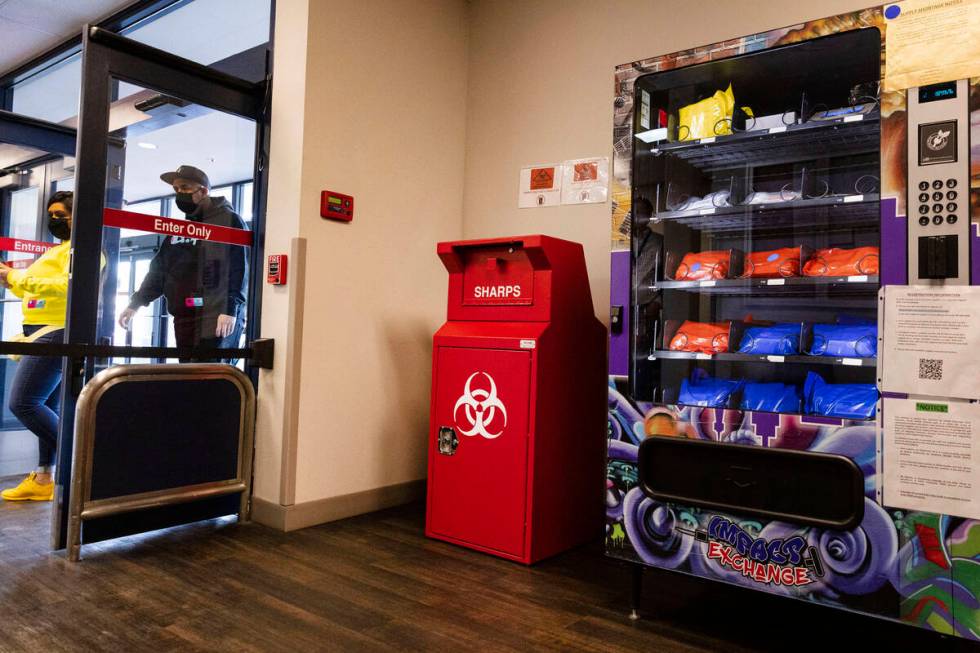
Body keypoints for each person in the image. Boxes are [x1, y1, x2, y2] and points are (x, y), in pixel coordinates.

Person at [118, 165, 248, 362]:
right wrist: (135, 304)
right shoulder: (180, 230)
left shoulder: (229, 221)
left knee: (213, 381)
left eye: (185, 188)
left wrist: (230, 309)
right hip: (184, 317)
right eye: (176, 189)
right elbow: (159, 271)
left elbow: (239, 268)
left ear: (203, 191)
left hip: (217, 316)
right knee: (188, 379)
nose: (179, 193)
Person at [0, 191, 75, 501]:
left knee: (24, 403)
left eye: (61, 214)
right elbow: (35, 291)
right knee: (49, 406)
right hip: (38, 330)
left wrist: (17, 276)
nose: (54, 220)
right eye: (51, 215)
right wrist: (11, 279)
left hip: (57, 332)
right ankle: (44, 478)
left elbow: (69, 285)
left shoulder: (82, 249)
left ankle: (85, 458)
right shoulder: (56, 251)